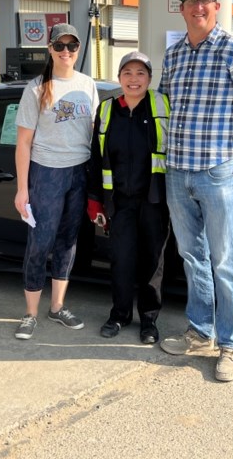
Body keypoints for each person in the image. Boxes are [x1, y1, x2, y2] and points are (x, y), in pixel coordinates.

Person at [157, 0, 233, 382]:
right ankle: (200, 333)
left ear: (217, 7)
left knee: (224, 261)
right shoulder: (174, 55)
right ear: (182, 8)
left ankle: (231, 346)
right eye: (191, 1)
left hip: (217, 172)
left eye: (206, 1)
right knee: (192, 257)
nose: (198, 7)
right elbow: (166, 108)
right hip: (178, 172)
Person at [12, 23, 100, 340]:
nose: (66, 52)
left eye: (72, 46)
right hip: (46, 172)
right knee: (40, 242)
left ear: (78, 50)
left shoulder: (87, 85)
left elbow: (93, 133)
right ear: (50, 49)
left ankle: (57, 307)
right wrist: (22, 189)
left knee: (68, 241)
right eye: (59, 46)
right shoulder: (36, 88)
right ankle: (30, 313)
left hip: (79, 171)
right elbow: (23, 143)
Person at [86, 51, 171, 345]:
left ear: (149, 78)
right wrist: (95, 199)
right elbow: (96, 158)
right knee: (121, 260)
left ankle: (149, 320)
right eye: (127, 73)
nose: (133, 79)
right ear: (119, 78)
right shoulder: (107, 109)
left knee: (152, 262)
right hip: (119, 202)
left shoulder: (162, 106)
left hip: (154, 201)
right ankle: (119, 315)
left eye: (140, 73)